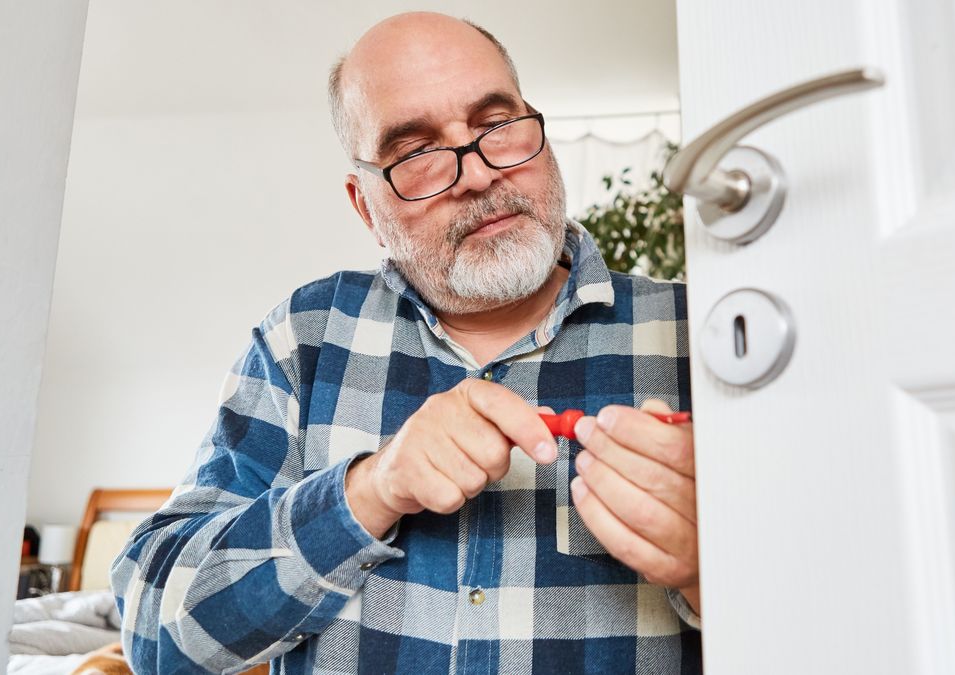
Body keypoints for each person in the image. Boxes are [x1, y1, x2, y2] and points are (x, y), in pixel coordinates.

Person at [111, 11, 701, 674]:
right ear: (366, 207)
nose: (478, 175)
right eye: (416, 154)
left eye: (497, 127)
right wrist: (370, 490)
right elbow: (153, 632)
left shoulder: (694, 333)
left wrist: (714, 566)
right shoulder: (304, 339)